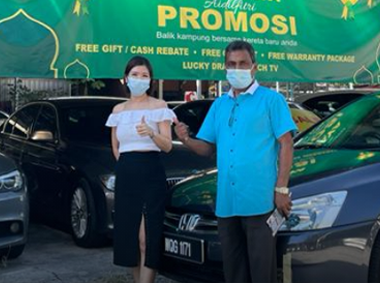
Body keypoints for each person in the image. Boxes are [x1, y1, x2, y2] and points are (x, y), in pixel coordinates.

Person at [174, 40, 297, 283]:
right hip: (227, 203)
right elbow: (207, 147)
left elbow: (286, 143)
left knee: (262, 272)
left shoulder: (271, 100)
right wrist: (186, 139)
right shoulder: (220, 104)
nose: (237, 68)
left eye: (243, 64)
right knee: (233, 272)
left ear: (254, 67)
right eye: (231, 64)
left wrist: (281, 188)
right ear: (225, 67)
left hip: (260, 201)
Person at [106, 56, 174, 283]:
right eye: (135, 75)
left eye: (144, 75)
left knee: (147, 238)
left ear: (150, 80)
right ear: (125, 79)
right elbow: (116, 146)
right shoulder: (118, 110)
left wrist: (151, 133)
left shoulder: (159, 107)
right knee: (131, 240)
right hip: (126, 174)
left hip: (151, 173)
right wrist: (126, 166)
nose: (139, 79)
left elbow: (168, 146)